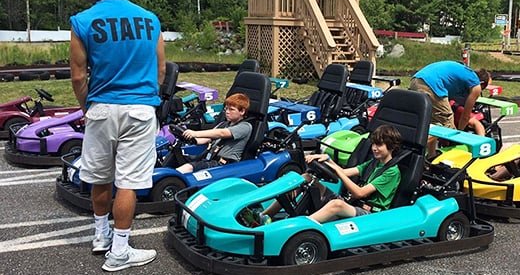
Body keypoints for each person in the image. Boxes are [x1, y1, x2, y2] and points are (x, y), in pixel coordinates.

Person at [70, 0, 165, 271]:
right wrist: (149, 99)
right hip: (139, 109)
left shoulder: (82, 22)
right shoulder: (150, 20)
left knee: (99, 175)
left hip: (101, 108)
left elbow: (78, 75)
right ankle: (119, 251)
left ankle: (101, 237)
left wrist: (88, 106)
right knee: (127, 182)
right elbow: (161, 69)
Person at [259, 124, 402, 224]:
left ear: (391, 147)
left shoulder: (392, 172)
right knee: (307, 178)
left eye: (379, 145)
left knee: (337, 204)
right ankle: (264, 216)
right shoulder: (373, 163)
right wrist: (327, 160)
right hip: (353, 204)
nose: (374, 148)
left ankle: (300, 228)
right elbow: (345, 172)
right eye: (373, 144)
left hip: (371, 215)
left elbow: (359, 193)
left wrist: (338, 171)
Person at [408, 61, 490, 158]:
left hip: (416, 80)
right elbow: (466, 115)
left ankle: (431, 155)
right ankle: (410, 149)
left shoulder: (464, 74)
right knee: (447, 127)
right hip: (431, 85)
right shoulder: (475, 84)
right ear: (481, 83)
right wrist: (458, 134)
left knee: (435, 124)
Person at [175, 93, 252, 173]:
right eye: (226, 109)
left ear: (242, 111)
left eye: (231, 109)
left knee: (188, 167)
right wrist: (189, 138)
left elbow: (221, 133)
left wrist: (195, 133)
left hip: (223, 165)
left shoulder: (245, 127)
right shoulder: (223, 124)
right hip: (210, 159)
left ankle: (169, 181)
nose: (227, 112)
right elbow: (206, 139)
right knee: (177, 157)